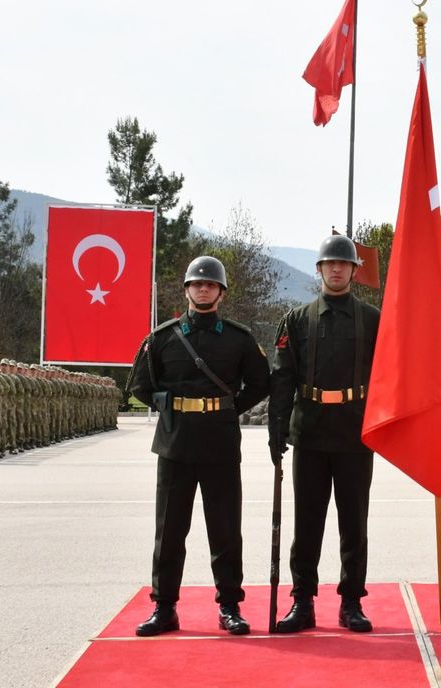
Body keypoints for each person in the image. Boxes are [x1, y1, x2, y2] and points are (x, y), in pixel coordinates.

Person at [128, 256, 271, 638]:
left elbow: (261, 383)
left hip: (220, 443)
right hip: (175, 444)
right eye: (197, 284)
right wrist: (170, 408)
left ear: (221, 293)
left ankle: (229, 606)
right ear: (187, 290)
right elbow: (141, 385)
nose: (203, 289)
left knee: (225, 529)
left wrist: (228, 409)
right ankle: (164, 607)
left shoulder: (239, 339)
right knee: (169, 531)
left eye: (210, 285)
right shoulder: (162, 338)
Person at [268, 235, 382, 634]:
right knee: (307, 522)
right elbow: (283, 377)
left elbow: (388, 376)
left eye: (343, 263)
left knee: (354, 523)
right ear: (318, 269)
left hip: (354, 432)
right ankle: (303, 600)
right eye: (329, 263)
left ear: (354, 270)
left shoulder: (372, 319)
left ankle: (351, 601)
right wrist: (277, 428)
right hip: (311, 432)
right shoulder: (298, 319)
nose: (336, 268)